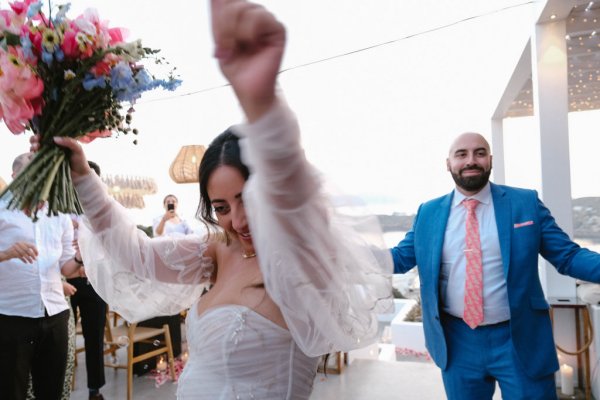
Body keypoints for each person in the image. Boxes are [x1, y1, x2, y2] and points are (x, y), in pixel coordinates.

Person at [33, 1, 393, 399]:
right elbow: (136, 254)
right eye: (221, 207)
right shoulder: (218, 252)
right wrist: (83, 176)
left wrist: (262, 102)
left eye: (248, 201)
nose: (237, 221)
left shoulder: (300, 259)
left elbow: (293, 189)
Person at [390, 132, 600, 400]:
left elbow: (568, 256)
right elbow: (399, 258)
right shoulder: (428, 212)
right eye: (461, 154)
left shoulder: (524, 203)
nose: (471, 160)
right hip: (457, 342)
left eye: (479, 153)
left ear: (490, 159)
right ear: (448, 163)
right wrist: (341, 258)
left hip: (519, 338)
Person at [0, 153, 84, 400]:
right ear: (15, 177)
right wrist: (5, 254)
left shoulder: (59, 215)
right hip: (11, 315)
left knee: (52, 390)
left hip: (55, 314)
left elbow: (66, 268)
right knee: (10, 391)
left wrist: (80, 259)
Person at [65, 161, 107, 400]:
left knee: (94, 337)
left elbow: (108, 246)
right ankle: (61, 386)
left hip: (94, 281)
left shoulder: (102, 211)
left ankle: (95, 390)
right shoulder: (59, 209)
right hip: (66, 280)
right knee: (63, 340)